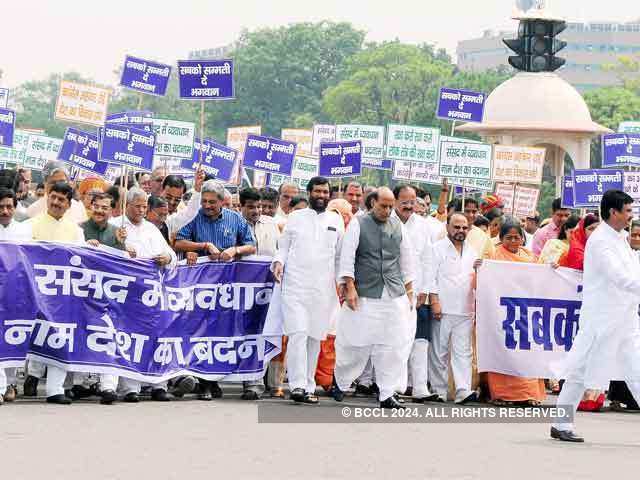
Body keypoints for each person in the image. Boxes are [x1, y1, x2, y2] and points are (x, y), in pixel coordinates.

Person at [551, 190, 640, 442]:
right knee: (580, 370)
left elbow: (631, 270)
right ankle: (561, 423)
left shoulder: (620, 238)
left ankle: (561, 423)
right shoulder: (601, 241)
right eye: (628, 211)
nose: (631, 216)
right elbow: (619, 277)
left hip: (624, 316)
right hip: (601, 318)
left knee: (636, 368)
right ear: (614, 213)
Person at [332, 187, 414, 409]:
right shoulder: (358, 224)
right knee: (356, 344)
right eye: (383, 206)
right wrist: (349, 287)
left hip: (393, 294)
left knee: (393, 345)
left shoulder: (399, 226)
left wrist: (409, 291)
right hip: (364, 293)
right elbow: (347, 258)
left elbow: (406, 260)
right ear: (372, 203)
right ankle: (341, 380)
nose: (387, 210)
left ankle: (386, 393)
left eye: (390, 206)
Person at [175, 180, 257, 400]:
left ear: (222, 202)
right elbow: (178, 242)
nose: (207, 205)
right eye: (204, 201)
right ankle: (205, 384)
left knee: (224, 333)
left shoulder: (235, 219)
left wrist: (235, 249)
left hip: (228, 288)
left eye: (212, 202)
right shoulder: (196, 218)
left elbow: (252, 245)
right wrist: (200, 247)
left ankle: (219, 380)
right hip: (202, 289)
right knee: (203, 334)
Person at [271, 176, 344, 404]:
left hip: (322, 289)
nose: (321, 196)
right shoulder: (295, 217)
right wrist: (278, 262)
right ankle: (297, 385)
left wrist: (343, 282)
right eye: (317, 192)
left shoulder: (336, 220)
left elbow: (341, 257)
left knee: (314, 337)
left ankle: (308, 385)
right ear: (309, 192)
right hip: (295, 286)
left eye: (325, 192)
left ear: (329, 195)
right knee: (298, 333)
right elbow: (283, 247)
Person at [111, 188, 179, 403]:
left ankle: (158, 384)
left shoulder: (151, 229)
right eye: (137, 206)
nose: (141, 210)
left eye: (144, 206)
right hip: (126, 295)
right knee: (129, 339)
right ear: (127, 205)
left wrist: (167, 258)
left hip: (152, 295)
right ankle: (130, 387)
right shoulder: (116, 226)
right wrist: (119, 245)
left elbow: (172, 254)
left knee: (156, 338)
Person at [24, 181, 86, 404]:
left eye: (61, 200)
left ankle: (55, 389)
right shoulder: (30, 226)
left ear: (69, 204)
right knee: (37, 334)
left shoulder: (76, 231)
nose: (56, 203)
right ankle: (31, 375)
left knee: (61, 337)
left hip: (65, 295)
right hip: (37, 293)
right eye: (53, 197)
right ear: (47, 197)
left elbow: (83, 260)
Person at [483, 220, 546, 407]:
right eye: (508, 237)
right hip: (502, 312)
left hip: (526, 312)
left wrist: (553, 269)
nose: (512, 241)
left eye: (516, 237)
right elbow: (484, 282)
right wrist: (480, 267)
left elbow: (543, 278)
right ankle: (503, 394)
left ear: (522, 238)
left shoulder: (531, 256)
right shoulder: (494, 256)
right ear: (501, 239)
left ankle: (529, 394)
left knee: (527, 352)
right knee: (503, 352)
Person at [391, 185, 437, 403]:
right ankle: (392, 386)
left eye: (413, 201)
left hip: (418, 293)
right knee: (393, 340)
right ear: (394, 200)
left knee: (420, 340)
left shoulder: (424, 226)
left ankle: (420, 387)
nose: (409, 205)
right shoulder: (386, 221)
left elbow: (428, 260)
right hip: (390, 292)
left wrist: (425, 290)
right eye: (405, 201)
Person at [428, 213, 479, 404]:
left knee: (463, 352)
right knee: (439, 351)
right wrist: (434, 301)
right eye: (456, 227)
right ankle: (439, 390)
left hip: (465, 309)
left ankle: (463, 390)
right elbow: (430, 277)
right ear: (447, 227)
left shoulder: (473, 252)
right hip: (443, 307)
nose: (460, 231)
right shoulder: (436, 249)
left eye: (464, 228)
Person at [556, 214, 604, 412]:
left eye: (597, 229)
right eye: (590, 229)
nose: (594, 233)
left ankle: (591, 397)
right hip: (574, 311)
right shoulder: (576, 249)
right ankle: (564, 417)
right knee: (577, 360)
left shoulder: (604, 249)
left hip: (596, 312)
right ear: (582, 230)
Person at [0, 187, 32, 404]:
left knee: (12, 336)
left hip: (16, 292)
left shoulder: (24, 231)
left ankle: (10, 383)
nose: (5, 211)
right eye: (1, 206)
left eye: (9, 206)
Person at [609, 219, 640, 411]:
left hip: (631, 315)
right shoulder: (620, 254)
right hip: (614, 313)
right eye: (633, 234)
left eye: (639, 235)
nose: (636, 238)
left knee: (632, 363)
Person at [162, 171, 204, 242]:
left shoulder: (171, 220)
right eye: (168, 197)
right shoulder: (145, 206)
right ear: (162, 190)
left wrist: (197, 189)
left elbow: (190, 212)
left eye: (177, 200)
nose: (172, 202)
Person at [239, 187, 279, 257]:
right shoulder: (234, 223)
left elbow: (280, 250)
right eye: (251, 207)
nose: (256, 211)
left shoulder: (272, 223)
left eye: (259, 206)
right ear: (241, 206)